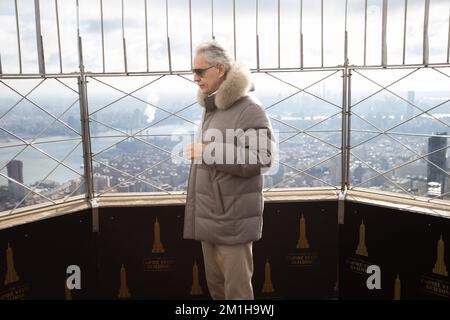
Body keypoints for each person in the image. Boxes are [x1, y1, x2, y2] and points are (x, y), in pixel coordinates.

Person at [183, 41, 275, 300]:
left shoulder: (249, 108)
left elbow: (262, 157)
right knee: (217, 291)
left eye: (200, 71)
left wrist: (208, 151)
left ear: (220, 69)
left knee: (236, 295)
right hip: (211, 218)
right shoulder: (213, 108)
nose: (195, 78)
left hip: (231, 221)